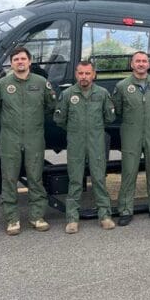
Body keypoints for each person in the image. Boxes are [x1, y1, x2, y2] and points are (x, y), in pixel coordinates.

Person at [0, 46, 57, 235]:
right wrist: (10, 122)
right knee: (9, 179)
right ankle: (12, 220)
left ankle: (37, 217)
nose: (20, 62)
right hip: (10, 139)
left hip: (34, 138)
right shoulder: (2, 84)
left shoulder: (41, 82)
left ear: (29, 61)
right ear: (11, 63)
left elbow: (51, 105)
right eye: (16, 59)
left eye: (23, 59)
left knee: (36, 178)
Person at [54, 61, 117, 233]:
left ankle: (105, 216)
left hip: (96, 141)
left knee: (99, 179)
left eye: (87, 73)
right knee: (75, 180)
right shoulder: (68, 94)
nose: (84, 77)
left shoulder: (102, 93)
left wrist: (94, 128)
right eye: (81, 73)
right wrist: (76, 129)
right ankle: (72, 219)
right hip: (76, 142)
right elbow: (60, 119)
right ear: (76, 74)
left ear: (94, 74)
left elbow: (109, 118)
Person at [112, 51, 150, 224]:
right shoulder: (122, 86)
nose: (141, 64)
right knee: (129, 171)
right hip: (131, 133)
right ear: (132, 64)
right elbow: (118, 109)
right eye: (138, 61)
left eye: (144, 61)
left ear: (149, 64)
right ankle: (126, 210)